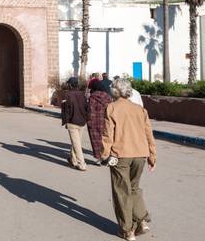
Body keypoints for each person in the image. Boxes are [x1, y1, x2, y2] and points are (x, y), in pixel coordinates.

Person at [101, 78, 157, 241]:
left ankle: (127, 230)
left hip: (121, 156)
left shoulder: (111, 108)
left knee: (121, 192)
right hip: (140, 155)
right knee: (134, 188)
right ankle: (142, 221)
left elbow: (107, 134)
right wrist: (152, 155)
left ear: (115, 92)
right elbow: (149, 133)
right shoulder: (140, 109)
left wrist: (105, 154)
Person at [61, 77, 88, 171]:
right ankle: (73, 160)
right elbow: (86, 107)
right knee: (76, 142)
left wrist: (65, 121)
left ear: (70, 85)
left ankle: (82, 164)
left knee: (76, 143)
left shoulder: (67, 95)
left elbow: (66, 110)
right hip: (81, 121)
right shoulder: (82, 94)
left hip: (72, 122)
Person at [87, 79, 111, 164]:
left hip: (94, 121)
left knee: (96, 140)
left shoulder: (92, 97)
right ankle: (107, 156)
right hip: (105, 121)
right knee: (105, 139)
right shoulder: (107, 96)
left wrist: (89, 121)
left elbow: (90, 110)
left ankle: (99, 158)